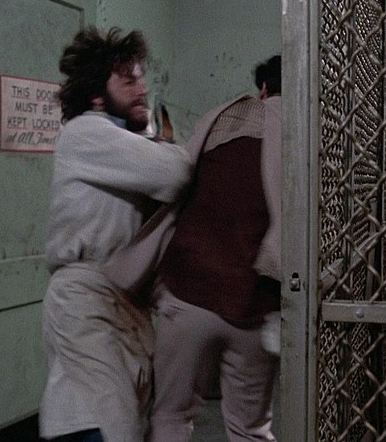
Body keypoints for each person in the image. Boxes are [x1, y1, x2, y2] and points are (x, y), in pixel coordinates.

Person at [39, 26, 193, 442]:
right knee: (104, 421)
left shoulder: (124, 139)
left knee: (117, 417)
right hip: (87, 296)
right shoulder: (85, 132)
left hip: (124, 298)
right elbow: (176, 173)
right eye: (128, 81)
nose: (142, 89)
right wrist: (167, 146)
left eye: (141, 78)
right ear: (95, 94)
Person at [147, 55, 283, 442]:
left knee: (171, 416)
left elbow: (176, 183)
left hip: (190, 290)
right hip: (256, 302)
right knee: (251, 427)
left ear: (263, 89)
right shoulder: (307, 137)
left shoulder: (218, 120)